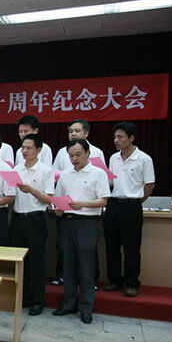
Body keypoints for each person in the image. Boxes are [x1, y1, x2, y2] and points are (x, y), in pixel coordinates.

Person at [53, 139, 110, 324]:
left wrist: (83, 204)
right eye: (71, 155)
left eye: (78, 155)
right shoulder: (65, 175)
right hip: (67, 222)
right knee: (68, 265)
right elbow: (58, 198)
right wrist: (58, 209)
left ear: (87, 153)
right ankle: (68, 304)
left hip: (87, 222)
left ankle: (86, 307)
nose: (74, 159)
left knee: (87, 267)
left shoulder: (98, 173)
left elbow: (103, 200)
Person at [103, 122, 155, 297]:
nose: (116, 140)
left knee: (131, 247)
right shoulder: (113, 158)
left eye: (120, 137)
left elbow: (150, 185)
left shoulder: (144, 159)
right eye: (115, 137)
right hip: (113, 204)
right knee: (111, 246)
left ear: (131, 138)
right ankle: (114, 280)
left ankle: (132, 283)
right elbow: (112, 182)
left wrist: (137, 201)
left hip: (132, 205)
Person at [11, 134, 54, 316]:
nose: (25, 151)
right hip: (18, 218)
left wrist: (32, 190)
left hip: (36, 218)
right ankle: (22, 297)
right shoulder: (16, 169)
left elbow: (49, 199)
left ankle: (38, 301)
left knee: (37, 261)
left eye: (29, 148)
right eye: (23, 147)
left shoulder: (45, 170)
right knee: (20, 262)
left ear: (38, 150)